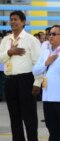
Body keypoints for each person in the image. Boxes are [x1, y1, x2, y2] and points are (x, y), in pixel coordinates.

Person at [0, 10, 41, 141]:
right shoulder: (6, 40)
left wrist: (37, 83)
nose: (13, 22)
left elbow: (38, 63)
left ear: (23, 22)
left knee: (29, 116)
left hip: (26, 80)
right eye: (11, 19)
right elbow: (1, 58)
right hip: (10, 80)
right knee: (14, 117)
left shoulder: (31, 40)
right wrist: (9, 52)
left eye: (16, 19)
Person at [33, 25, 60, 141]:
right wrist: (46, 63)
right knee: (51, 128)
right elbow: (35, 70)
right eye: (49, 34)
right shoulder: (46, 52)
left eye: (54, 34)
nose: (51, 36)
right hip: (47, 97)